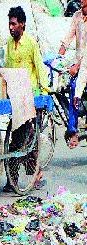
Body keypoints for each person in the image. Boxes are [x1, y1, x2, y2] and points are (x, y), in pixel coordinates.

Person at [3, 6, 49, 192]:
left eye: (14, 24)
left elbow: (39, 67)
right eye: (9, 24)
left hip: (29, 96)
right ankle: (12, 178)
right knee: (15, 138)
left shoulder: (30, 43)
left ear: (22, 24)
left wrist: (44, 93)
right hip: (15, 96)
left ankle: (35, 174)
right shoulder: (8, 43)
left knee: (28, 137)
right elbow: (7, 67)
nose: (11, 27)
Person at [58, 0, 87, 148]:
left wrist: (78, 66)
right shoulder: (77, 16)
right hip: (79, 64)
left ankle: (73, 131)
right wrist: (59, 56)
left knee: (76, 87)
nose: (82, 1)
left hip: (85, 64)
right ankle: (73, 125)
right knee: (67, 85)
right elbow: (68, 37)